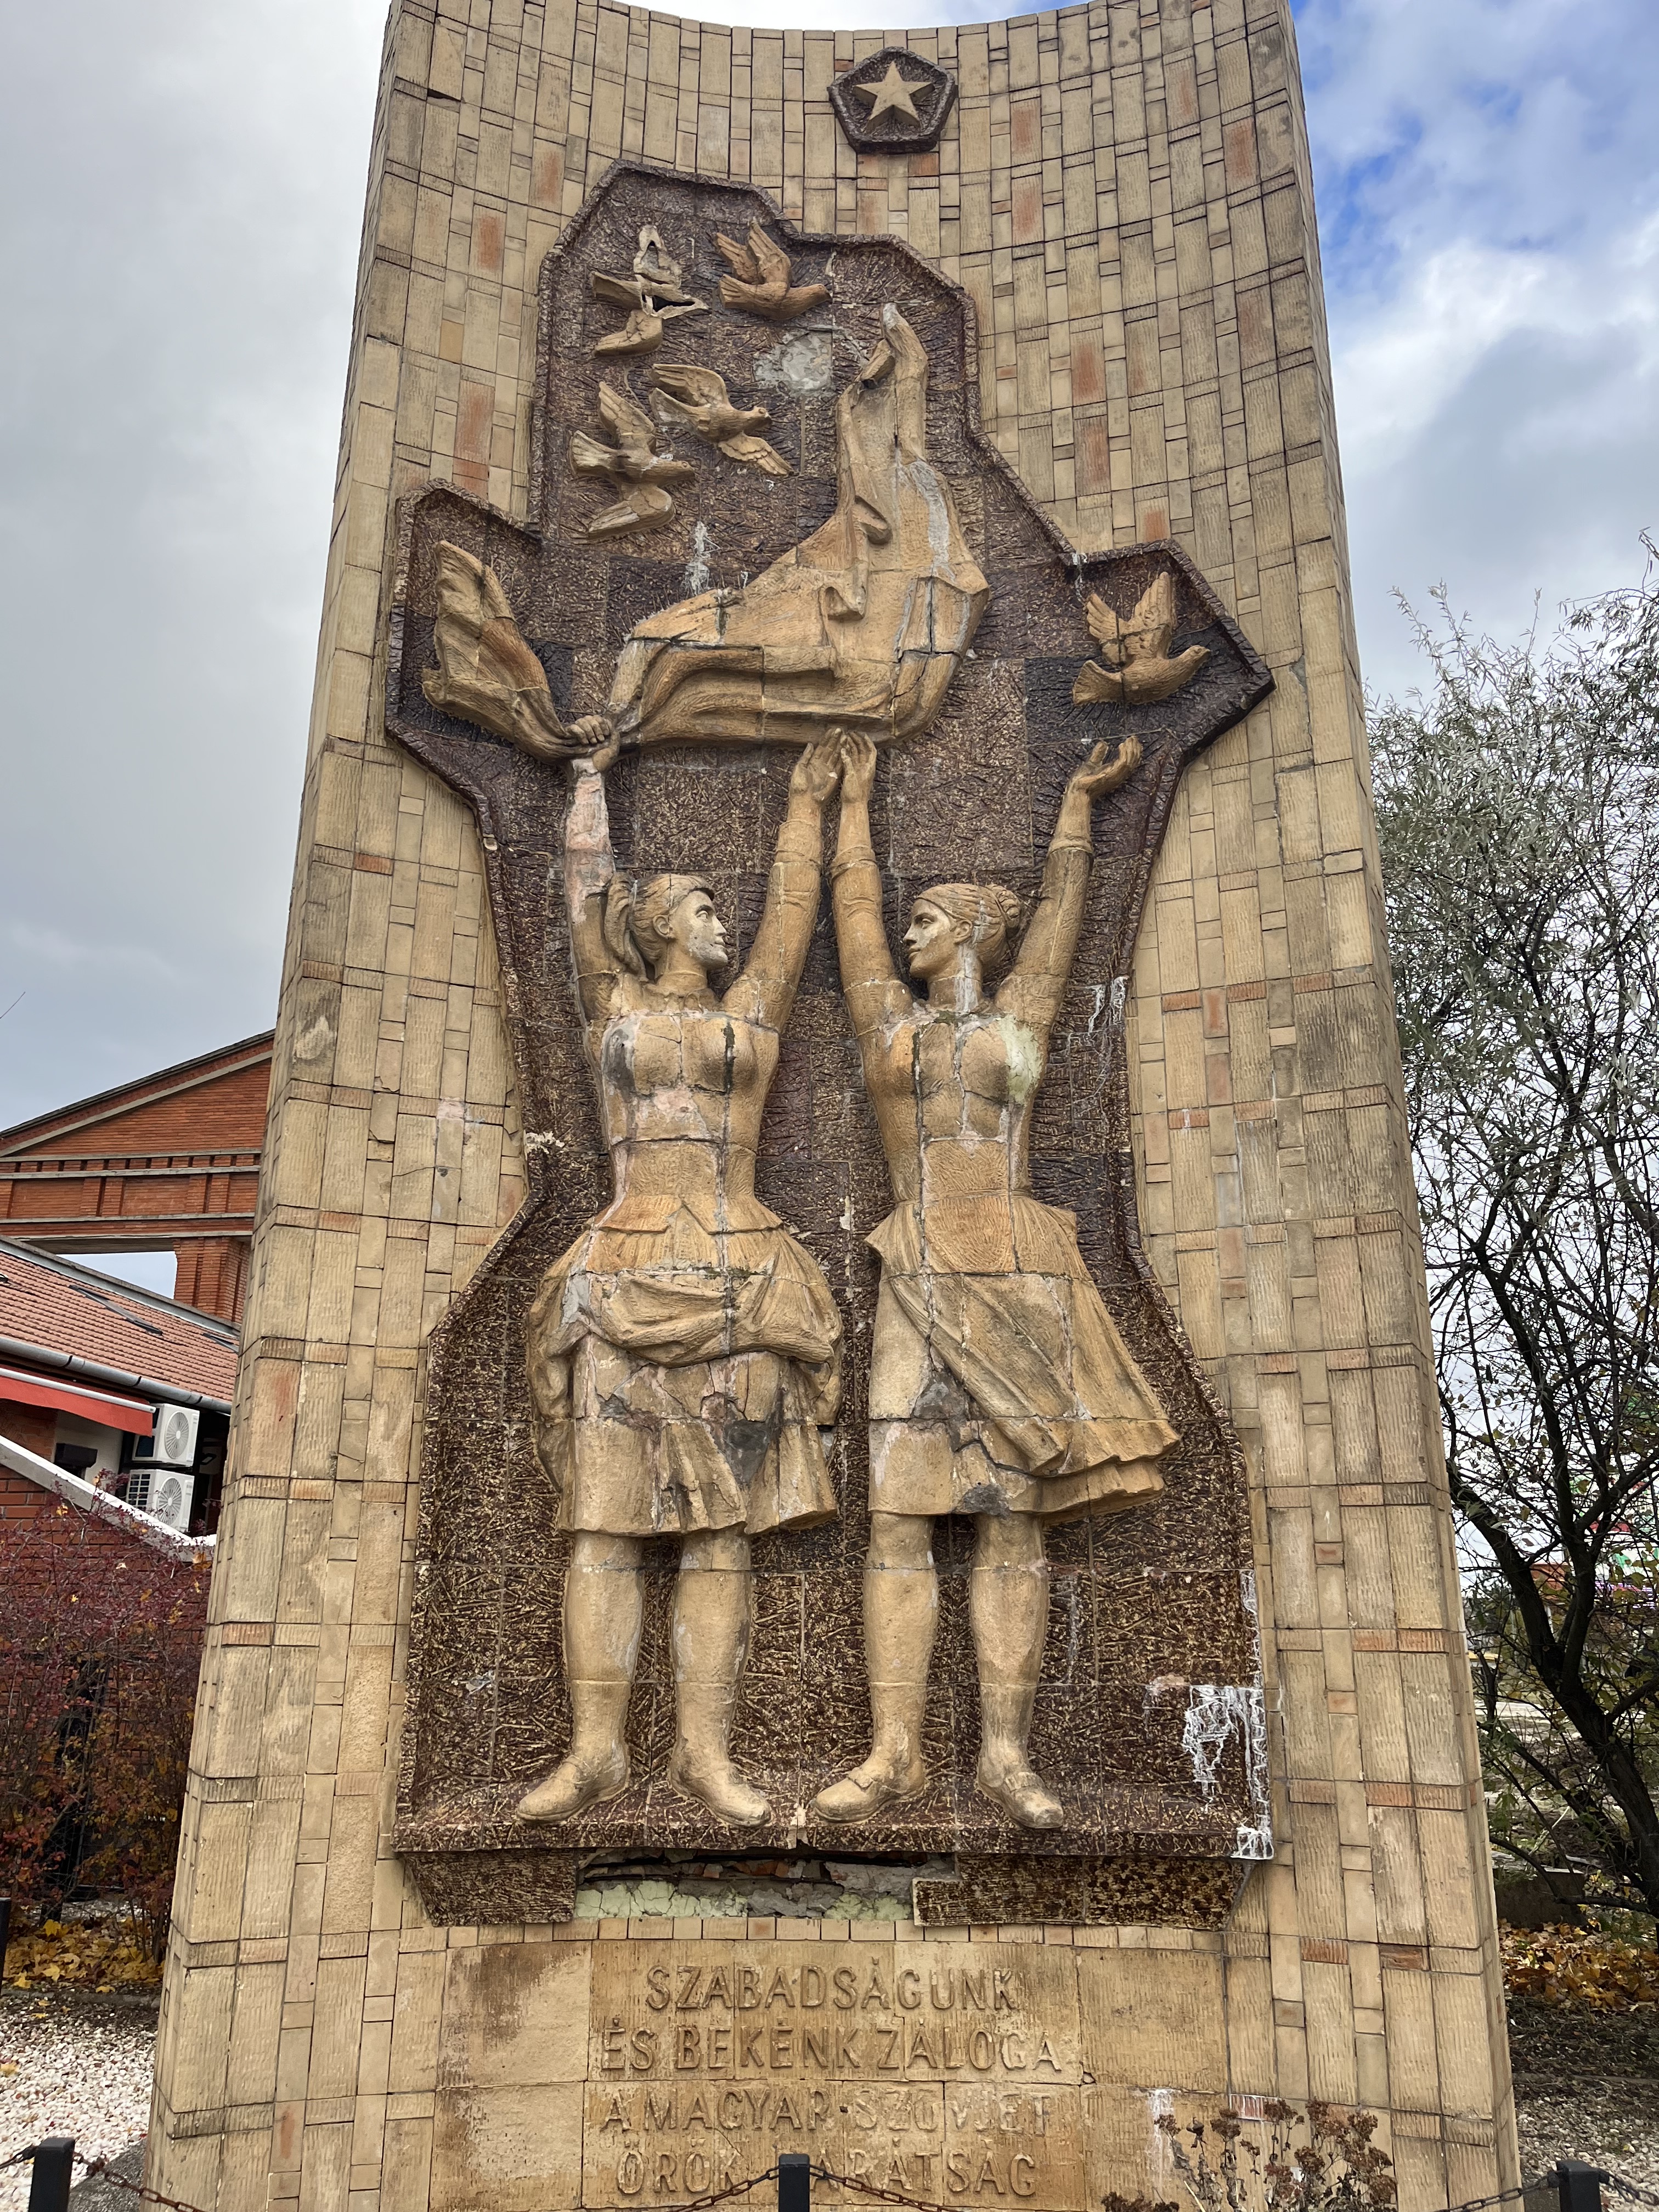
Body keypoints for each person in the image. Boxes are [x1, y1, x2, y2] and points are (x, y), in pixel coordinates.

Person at [814, 729, 1180, 1829]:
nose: (910, 927)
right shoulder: (891, 1028)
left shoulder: (1018, 1021)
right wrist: (851, 804)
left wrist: (1075, 802)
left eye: (931, 913)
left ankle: (1007, 1758)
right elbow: (847, 908)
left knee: (1014, 1519)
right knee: (900, 1522)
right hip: (917, 1261)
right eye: (910, 915)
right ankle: (894, 1752)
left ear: (974, 926)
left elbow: (1063, 920)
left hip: (1021, 1269)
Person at [517, 732, 845, 1827]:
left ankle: (706, 1756)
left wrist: (806, 805)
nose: (721, 918)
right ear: (656, 921)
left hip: (739, 1265)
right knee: (605, 1524)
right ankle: (597, 1752)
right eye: (701, 904)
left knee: (720, 1531)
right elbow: (581, 892)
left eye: (719, 908)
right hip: (627, 1256)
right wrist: (591, 779)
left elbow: (794, 921)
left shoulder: (749, 1011)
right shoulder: (612, 1004)